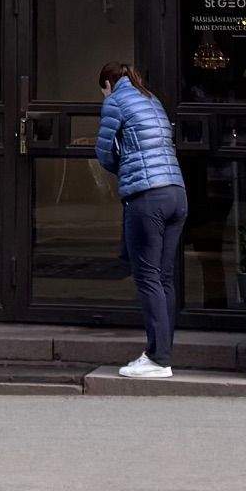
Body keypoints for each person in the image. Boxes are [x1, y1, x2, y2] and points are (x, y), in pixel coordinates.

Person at [94, 58, 187, 381]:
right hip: (176, 193)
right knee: (163, 278)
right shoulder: (151, 98)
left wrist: (124, 169)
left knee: (147, 278)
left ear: (108, 85)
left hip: (147, 198)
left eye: (102, 90)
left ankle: (158, 359)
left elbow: (104, 152)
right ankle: (163, 355)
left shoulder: (115, 101)